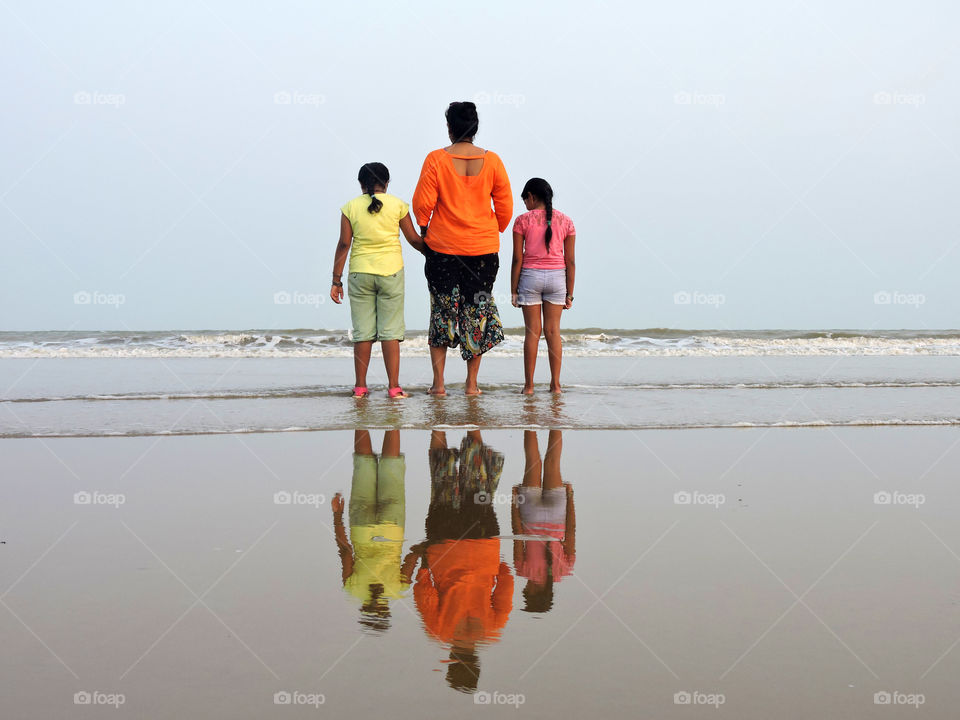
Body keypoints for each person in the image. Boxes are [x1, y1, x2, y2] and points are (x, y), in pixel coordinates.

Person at [412, 102, 513, 396]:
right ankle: (471, 385)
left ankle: (439, 384)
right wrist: (492, 227)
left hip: (443, 250)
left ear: (449, 128)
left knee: (442, 313)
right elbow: (504, 208)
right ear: (476, 128)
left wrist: (423, 230)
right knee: (476, 313)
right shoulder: (493, 161)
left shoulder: (435, 160)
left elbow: (421, 206)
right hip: (482, 251)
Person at [403, 431, 513, 693]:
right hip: (445, 542)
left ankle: (471, 412)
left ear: (477, 663)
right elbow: (423, 590)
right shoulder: (438, 631)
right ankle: (438, 422)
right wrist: (426, 558)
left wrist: (493, 560)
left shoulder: (493, 629)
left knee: (476, 482)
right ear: (453, 661)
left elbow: (506, 584)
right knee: (442, 477)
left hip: (483, 541)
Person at [331, 162, 425, 398]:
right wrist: (434, 253)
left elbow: (344, 244)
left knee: (363, 332)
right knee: (390, 332)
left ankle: (360, 387)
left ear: (361, 184)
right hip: (391, 273)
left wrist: (336, 280)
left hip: (359, 273)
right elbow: (413, 239)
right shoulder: (398, 205)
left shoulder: (350, 208)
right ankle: (394, 388)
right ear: (387, 182)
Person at [331, 429, 416, 633]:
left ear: (386, 609)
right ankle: (361, 405)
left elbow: (413, 556)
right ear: (363, 608)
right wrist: (337, 517)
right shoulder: (352, 588)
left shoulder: (399, 589)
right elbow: (345, 552)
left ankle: (392, 409)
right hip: (362, 529)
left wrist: (426, 550)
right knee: (364, 465)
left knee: (391, 466)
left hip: (391, 530)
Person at [510, 178, 576, 394]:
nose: (525, 205)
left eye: (525, 200)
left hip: (530, 276)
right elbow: (570, 261)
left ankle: (529, 386)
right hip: (558, 277)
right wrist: (570, 294)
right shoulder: (566, 221)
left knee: (532, 332)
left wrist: (513, 289)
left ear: (531, 196)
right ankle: (555, 385)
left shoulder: (522, 221)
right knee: (553, 332)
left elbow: (517, 259)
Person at [512, 431, 576, 614]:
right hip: (531, 516)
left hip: (556, 515)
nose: (524, 590)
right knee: (533, 460)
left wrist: (570, 497)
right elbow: (517, 533)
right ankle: (530, 407)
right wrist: (514, 503)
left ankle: (556, 405)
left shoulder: (564, 570)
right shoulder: (522, 570)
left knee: (553, 462)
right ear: (533, 592)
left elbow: (571, 531)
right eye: (526, 594)